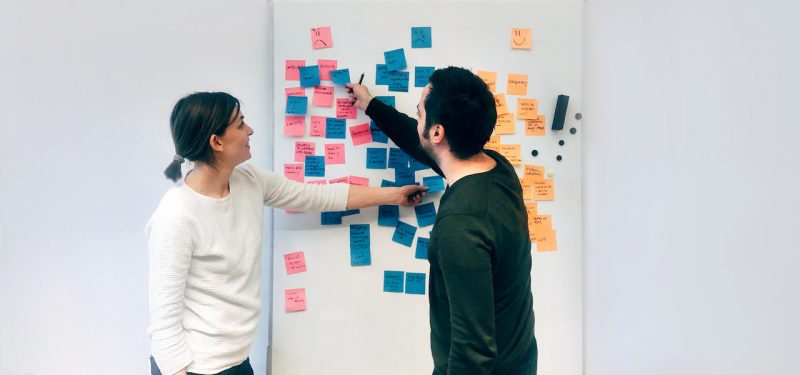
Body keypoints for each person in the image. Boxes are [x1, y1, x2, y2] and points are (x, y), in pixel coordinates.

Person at [147, 92, 427, 375]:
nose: (250, 130)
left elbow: (316, 196)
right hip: (194, 368)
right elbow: (163, 325)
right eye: (241, 124)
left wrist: (394, 195)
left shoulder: (249, 182)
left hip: (236, 363)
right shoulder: (176, 216)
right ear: (216, 142)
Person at [346, 66, 537, 375]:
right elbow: (424, 145)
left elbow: (473, 350)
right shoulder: (497, 168)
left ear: (437, 133)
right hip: (519, 355)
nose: (417, 117)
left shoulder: (460, 226)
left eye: (420, 113)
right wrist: (371, 105)